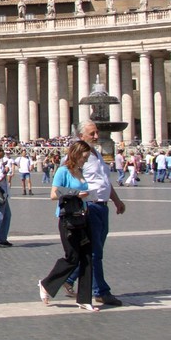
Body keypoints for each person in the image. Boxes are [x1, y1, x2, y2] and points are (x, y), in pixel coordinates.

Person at [64, 122, 126, 306]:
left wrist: (116, 200)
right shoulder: (77, 156)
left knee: (94, 250)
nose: (97, 136)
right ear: (81, 136)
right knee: (95, 252)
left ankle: (69, 278)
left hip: (102, 207)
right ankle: (101, 291)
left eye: (97, 132)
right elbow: (66, 179)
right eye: (92, 133)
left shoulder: (97, 154)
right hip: (89, 206)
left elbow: (104, 181)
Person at [38, 141, 100, 312]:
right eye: (84, 157)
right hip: (68, 220)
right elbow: (53, 194)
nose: (85, 161)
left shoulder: (80, 171)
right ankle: (46, 284)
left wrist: (89, 196)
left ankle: (85, 300)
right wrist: (76, 194)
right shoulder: (63, 171)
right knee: (72, 257)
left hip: (83, 217)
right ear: (76, 154)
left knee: (87, 257)